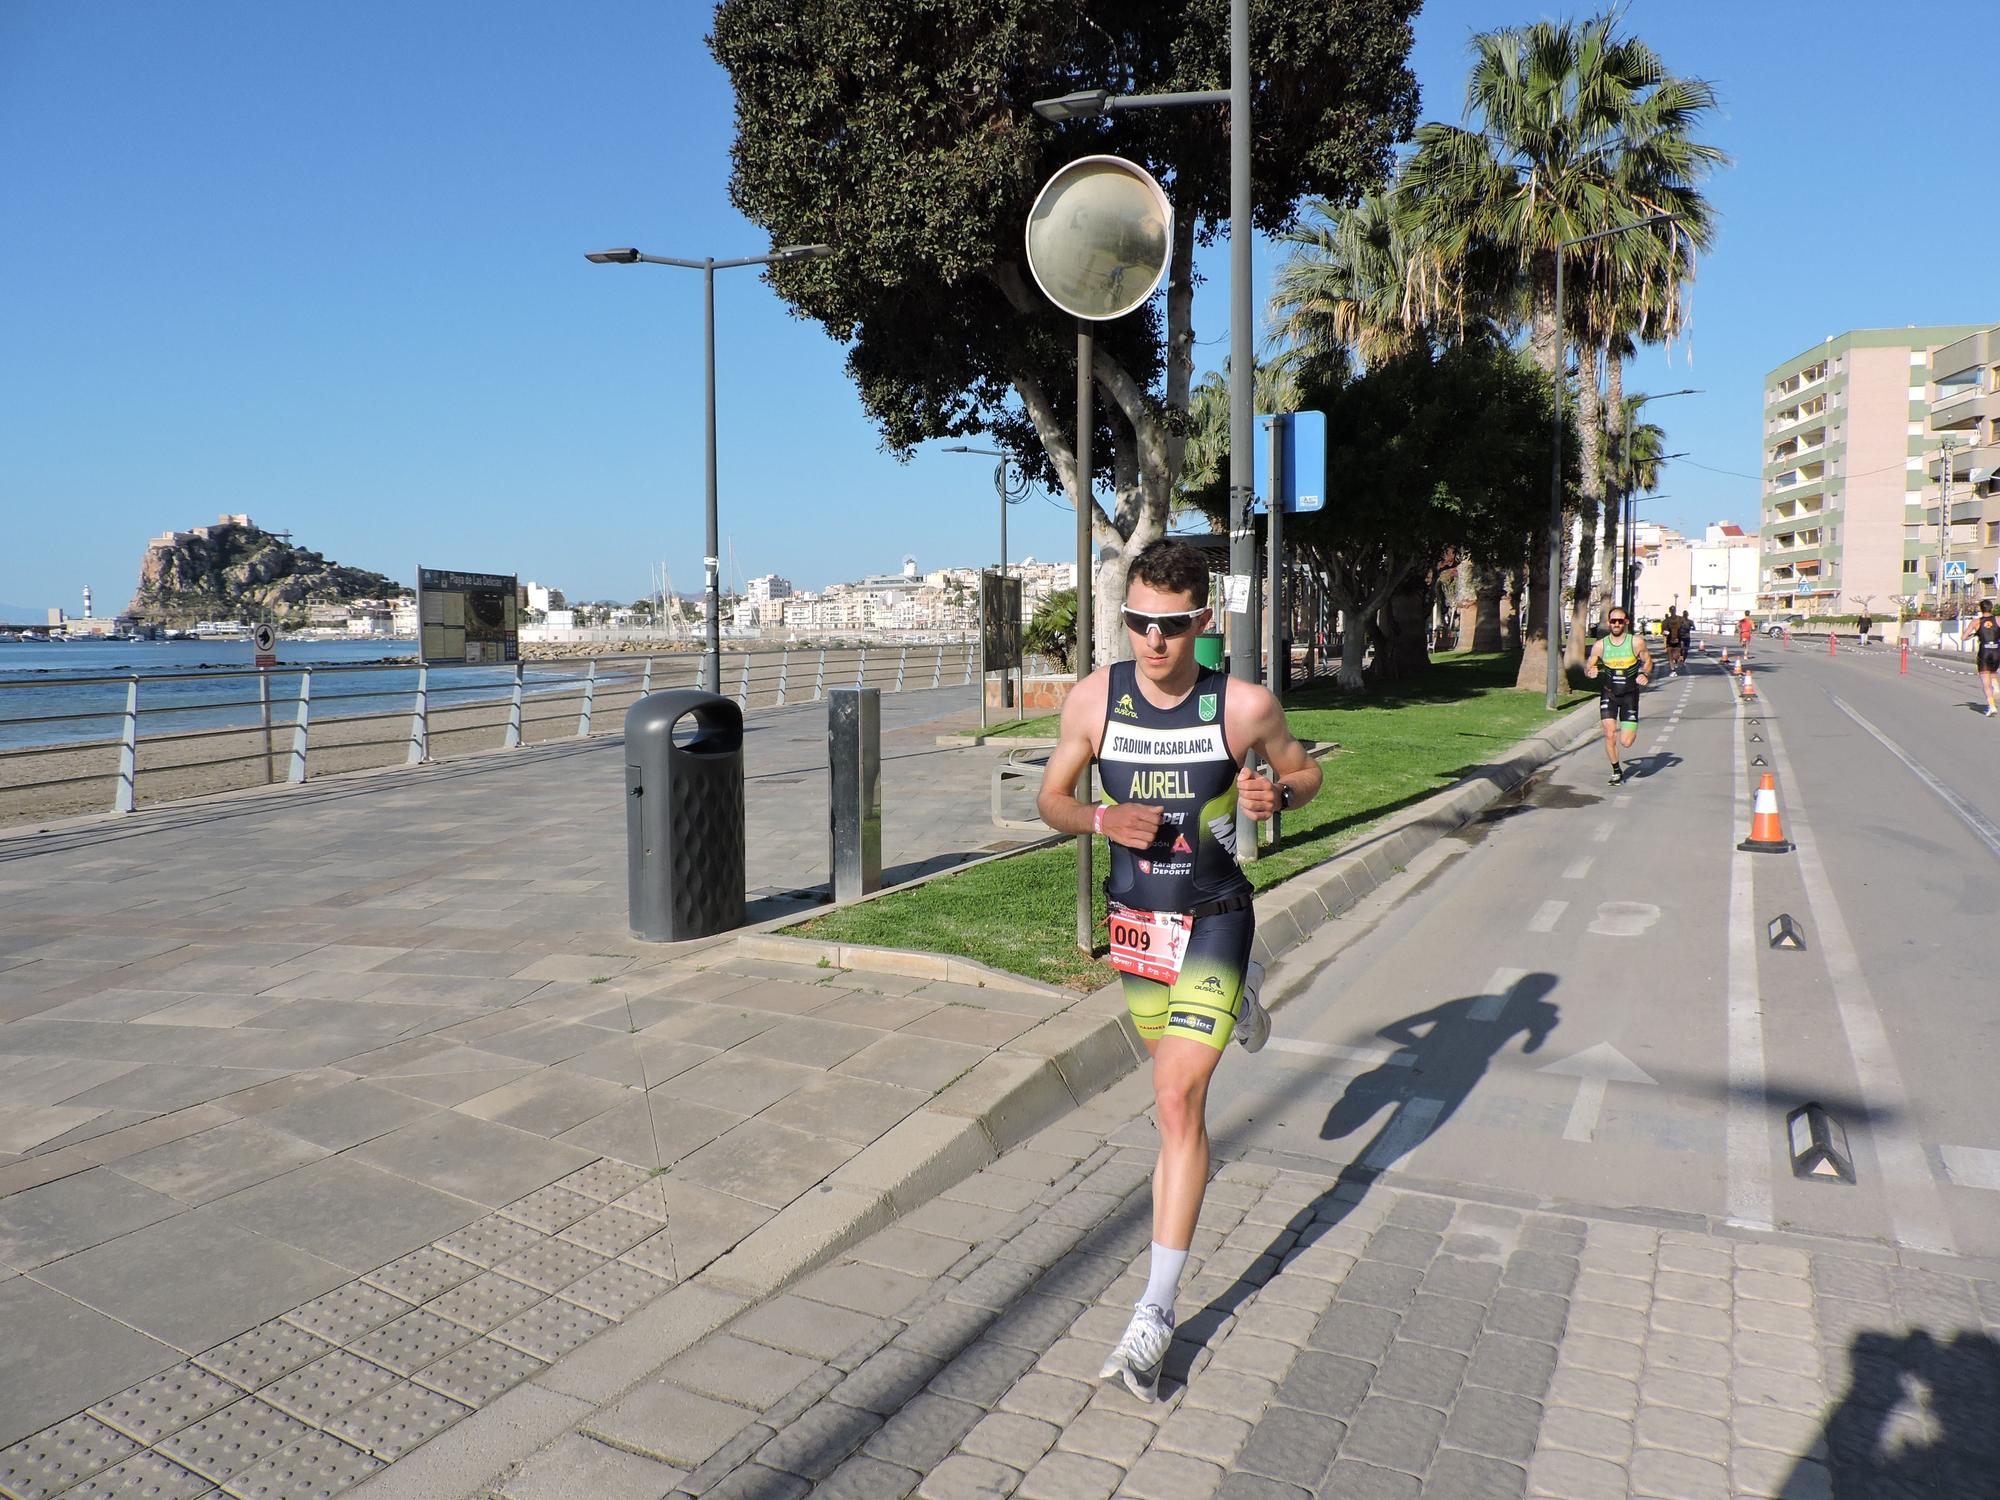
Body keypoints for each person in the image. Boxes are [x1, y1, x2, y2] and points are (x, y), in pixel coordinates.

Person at [1038, 538, 1322, 1401]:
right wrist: (1097, 821)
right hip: (1137, 929)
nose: (1152, 642)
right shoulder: (1093, 701)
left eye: (1170, 626)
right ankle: (1243, 1001)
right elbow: (1051, 797)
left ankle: (1155, 1313)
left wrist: (1280, 795)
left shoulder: (1241, 706)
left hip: (1213, 914)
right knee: (1173, 1099)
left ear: (1201, 620)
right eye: (1136, 623)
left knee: (1174, 1098)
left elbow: (1304, 773)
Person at [1585, 607, 1652, 784]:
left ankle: (1628, 733)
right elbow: (1589, 664)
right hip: (1609, 694)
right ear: (1609, 622)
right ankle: (1616, 770)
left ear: (1626, 622)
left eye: (1620, 621)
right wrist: (1589, 670)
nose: (1616, 624)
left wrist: (1645, 673)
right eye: (1613, 621)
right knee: (1609, 733)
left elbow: (1648, 661)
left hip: (1630, 696)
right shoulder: (1600, 645)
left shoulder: (1636, 642)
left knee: (1626, 742)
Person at [1963, 600, 2000, 717]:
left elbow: (1963, 637)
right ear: (1992, 608)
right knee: (1993, 673)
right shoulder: (1998, 619)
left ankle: (1992, 705)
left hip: (1984, 652)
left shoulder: (1976, 622)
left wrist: (1974, 634)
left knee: (1985, 682)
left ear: (1981, 609)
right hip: (1996, 651)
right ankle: (1997, 688)